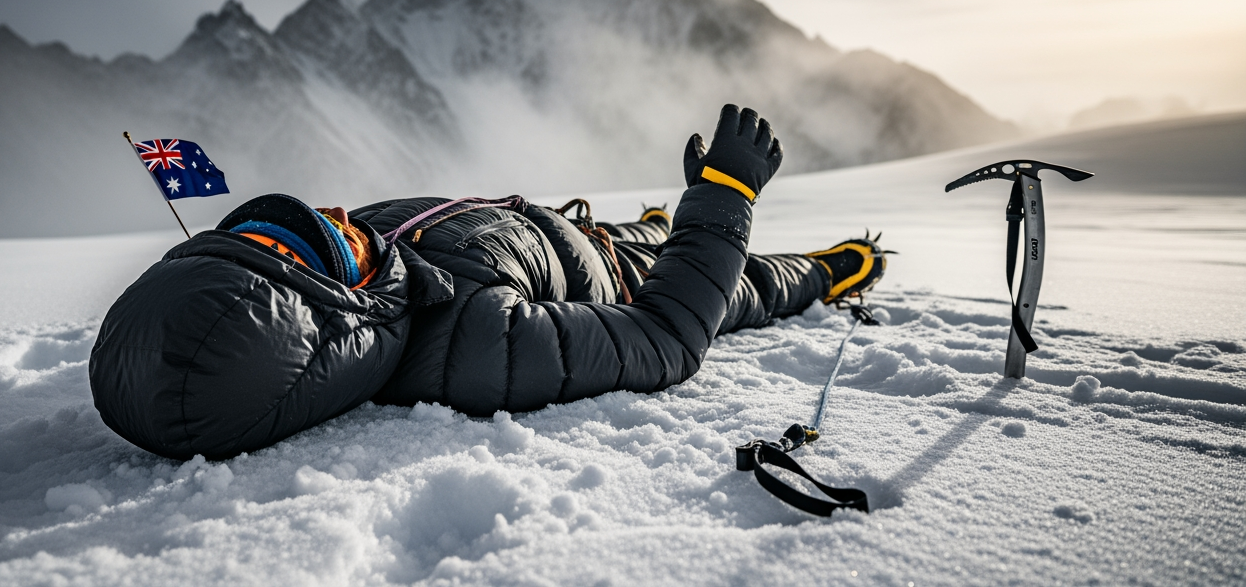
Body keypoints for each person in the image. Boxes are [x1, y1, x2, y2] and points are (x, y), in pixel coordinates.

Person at [89, 105, 888, 461]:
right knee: (748, 284)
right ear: (333, 314)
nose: (331, 212)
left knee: (654, 229)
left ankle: (655, 219)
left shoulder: (374, 258)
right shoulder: (472, 341)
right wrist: (726, 199)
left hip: (570, 233)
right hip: (626, 277)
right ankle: (835, 265)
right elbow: (668, 336)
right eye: (320, 238)